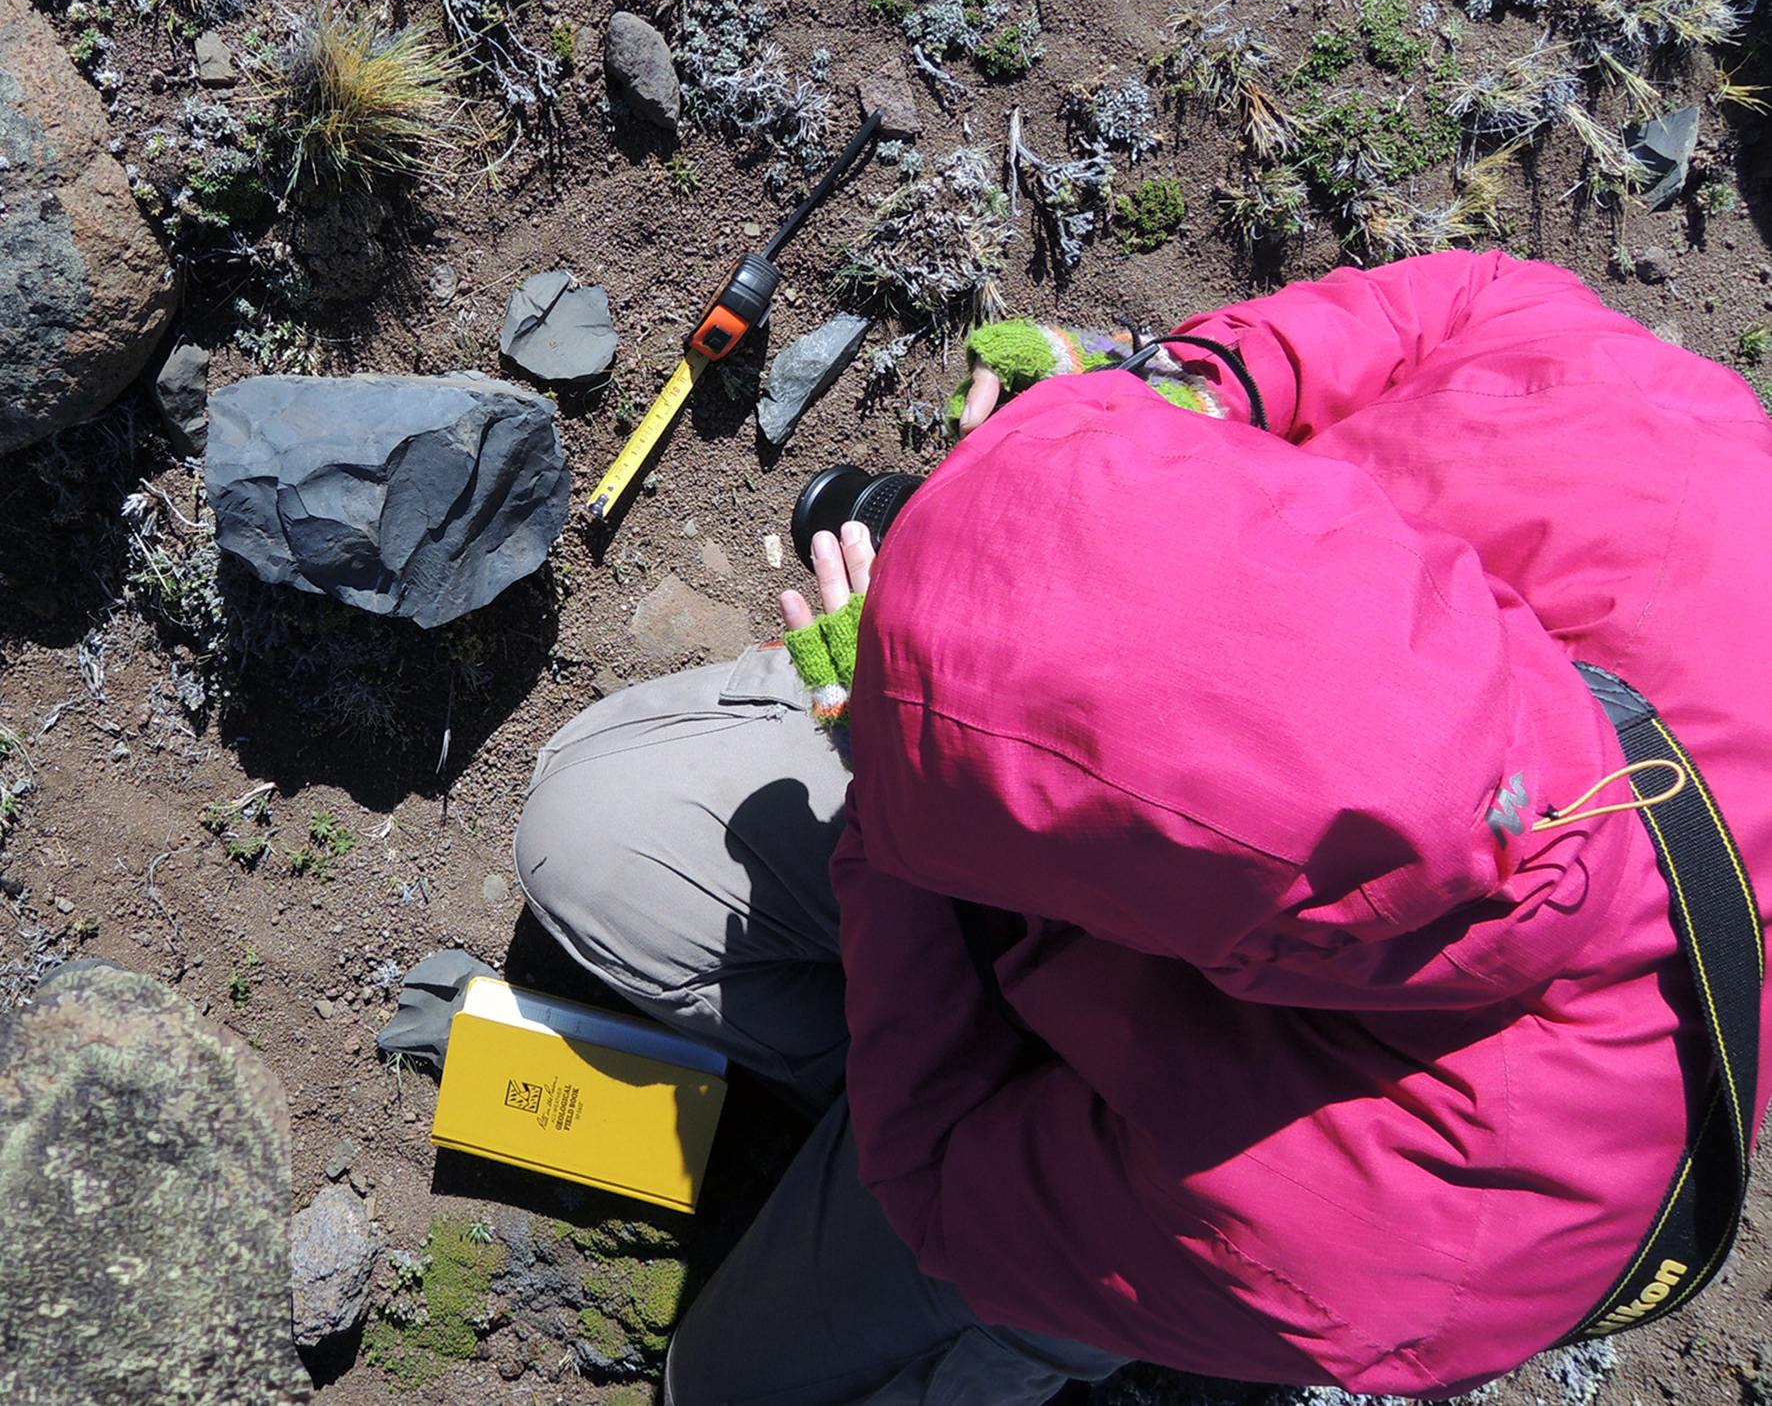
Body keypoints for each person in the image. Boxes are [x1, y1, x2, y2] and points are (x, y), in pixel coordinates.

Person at [514, 249, 1772, 1403]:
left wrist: (878, 770)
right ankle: (951, 1094)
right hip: (1183, 993)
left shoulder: (1396, 1224)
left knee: (722, 1382)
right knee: (594, 827)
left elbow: (946, 1182)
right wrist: (1172, 396)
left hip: (1251, 1179)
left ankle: (1051, 1294)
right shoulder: (1673, 456)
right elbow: (1447, 305)